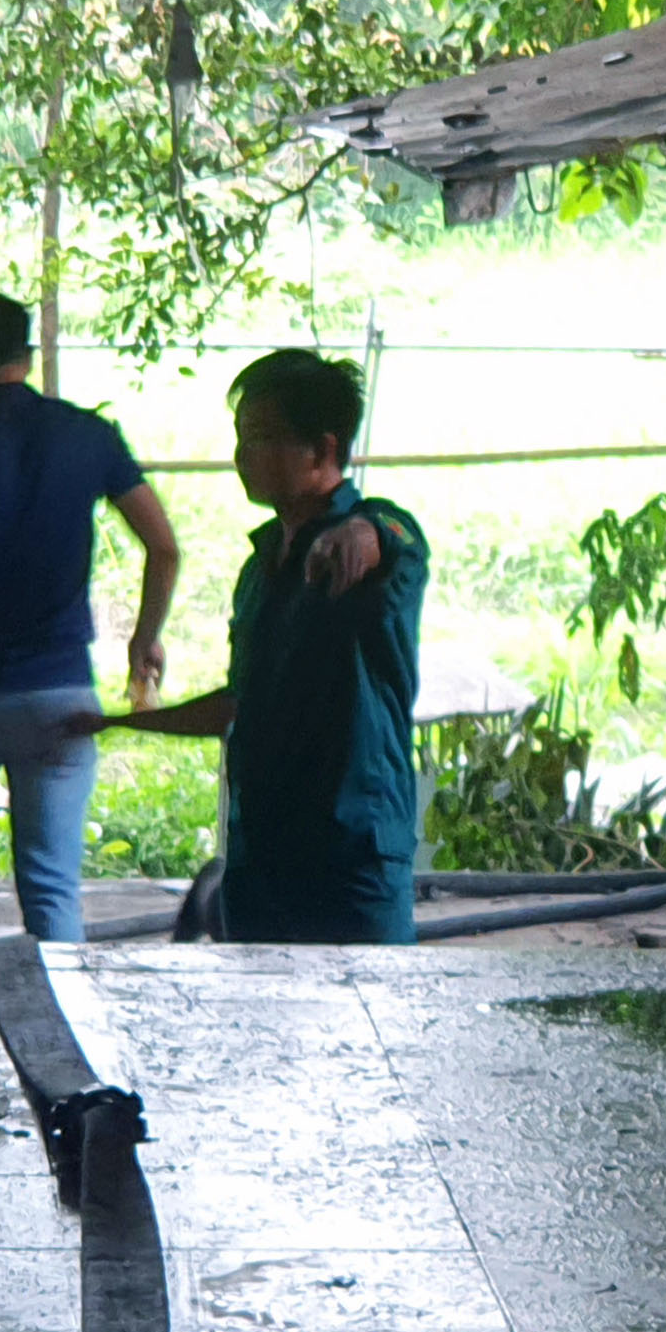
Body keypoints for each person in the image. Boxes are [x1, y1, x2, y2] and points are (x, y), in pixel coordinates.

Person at [111, 350, 426, 945]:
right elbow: (244, 704)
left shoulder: (375, 539)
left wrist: (365, 532)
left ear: (323, 450)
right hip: (260, 858)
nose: (241, 458)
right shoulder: (260, 570)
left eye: (261, 438)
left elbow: (395, 536)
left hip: (349, 855)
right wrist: (118, 723)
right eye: (240, 438)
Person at [0, 291, 179, 943]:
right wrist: (143, 639)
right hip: (63, 697)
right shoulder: (89, 435)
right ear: (28, 356)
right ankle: (62, 1034)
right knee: (53, 891)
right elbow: (165, 546)